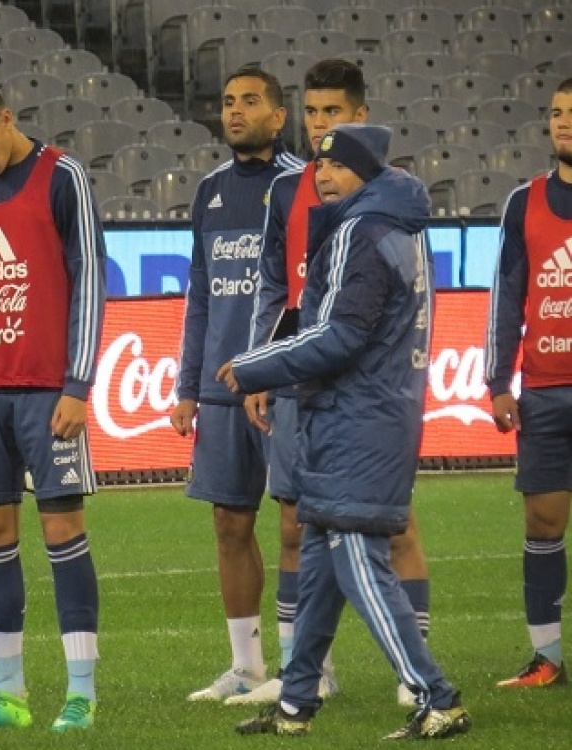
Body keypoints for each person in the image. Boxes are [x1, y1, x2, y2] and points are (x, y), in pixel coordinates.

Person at [225, 124, 471, 740]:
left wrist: (257, 365)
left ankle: (436, 696)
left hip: (357, 417)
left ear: (366, 171)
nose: (324, 176)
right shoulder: (400, 227)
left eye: (337, 166)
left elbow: (340, 336)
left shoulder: (362, 230)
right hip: (376, 410)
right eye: (318, 165)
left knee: (358, 558)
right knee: (318, 570)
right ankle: (296, 704)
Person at [237, 58, 433, 708]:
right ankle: (305, 678)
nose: (319, 126)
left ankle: (419, 676)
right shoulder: (293, 192)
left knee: (390, 527)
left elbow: (370, 320)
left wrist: (259, 366)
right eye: (312, 112)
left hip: (357, 387)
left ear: (360, 117)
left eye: (332, 113)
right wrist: (265, 360)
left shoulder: (382, 208)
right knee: (301, 525)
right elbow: (275, 284)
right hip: (303, 373)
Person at [0, 70, 106, 732]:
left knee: (63, 530)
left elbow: (89, 278)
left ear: (7, 118)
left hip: (47, 393)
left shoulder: (63, 177)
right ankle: (7, 695)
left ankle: (80, 694)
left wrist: (78, 384)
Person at [169, 65, 306, 702]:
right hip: (222, 385)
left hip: (283, 383)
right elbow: (201, 294)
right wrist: (187, 385)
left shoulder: (303, 186)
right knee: (229, 523)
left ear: (279, 117)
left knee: (295, 525)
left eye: (250, 101)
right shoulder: (210, 191)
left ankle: (307, 667)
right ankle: (247, 668)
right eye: (228, 101)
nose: (235, 111)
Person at [486, 76, 572, 689]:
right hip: (542, 391)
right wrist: (498, 381)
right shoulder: (525, 202)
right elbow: (506, 298)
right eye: (557, 111)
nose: (563, 121)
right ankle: (548, 659)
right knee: (542, 524)